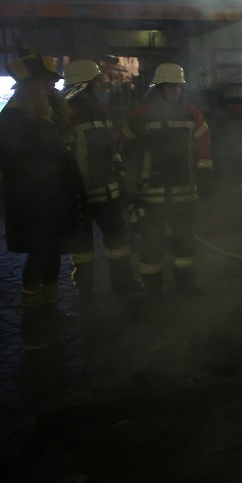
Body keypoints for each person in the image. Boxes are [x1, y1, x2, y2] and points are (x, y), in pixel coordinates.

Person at [0, 50, 83, 341]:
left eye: (51, 83)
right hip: (31, 199)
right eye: (45, 83)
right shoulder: (11, 119)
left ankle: (50, 307)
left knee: (53, 251)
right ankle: (32, 312)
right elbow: (13, 162)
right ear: (29, 86)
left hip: (53, 197)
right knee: (39, 253)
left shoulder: (43, 116)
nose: (51, 88)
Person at [121, 63, 212, 297]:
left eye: (178, 87)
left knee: (185, 242)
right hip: (151, 192)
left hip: (184, 190)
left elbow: (204, 145)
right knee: (152, 243)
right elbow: (125, 149)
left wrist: (205, 176)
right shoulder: (140, 116)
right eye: (171, 87)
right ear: (159, 88)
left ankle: (186, 285)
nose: (176, 91)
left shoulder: (192, 113)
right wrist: (130, 187)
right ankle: (152, 288)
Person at [62, 60, 139, 305]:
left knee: (114, 240)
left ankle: (110, 286)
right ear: (84, 84)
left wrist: (119, 170)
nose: (100, 85)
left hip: (99, 189)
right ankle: (92, 289)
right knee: (87, 245)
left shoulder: (97, 110)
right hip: (82, 192)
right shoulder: (66, 113)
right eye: (96, 81)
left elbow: (110, 146)